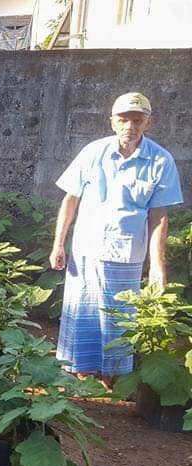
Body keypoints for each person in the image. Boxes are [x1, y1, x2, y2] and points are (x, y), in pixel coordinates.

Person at [50, 92, 183, 380]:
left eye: (138, 120)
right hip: (86, 249)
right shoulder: (92, 152)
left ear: (149, 122)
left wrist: (158, 266)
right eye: (123, 120)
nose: (130, 127)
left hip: (126, 254)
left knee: (119, 318)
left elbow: (158, 216)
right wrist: (59, 243)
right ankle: (79, 375)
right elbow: (70, 199)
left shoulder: (160, 160)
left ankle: (111, 378)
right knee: (81, 314)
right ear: (112, 122)